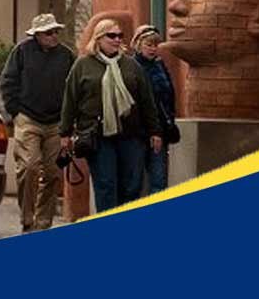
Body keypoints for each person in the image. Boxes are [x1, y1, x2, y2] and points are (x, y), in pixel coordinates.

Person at [60, 19, 163, 213]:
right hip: (97, 135)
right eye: (112, 36)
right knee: (106, 185)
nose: (117, 40)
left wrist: (154, 131)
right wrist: (64, 133)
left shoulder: (131, 65)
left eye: (120, 36)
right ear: (99, 38)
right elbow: (70, 99)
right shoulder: (83, 65)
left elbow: (146, 101)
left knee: (132, 185)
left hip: (131, 134)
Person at [0, 13, 76, 232]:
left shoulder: (66, 55)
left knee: (52, 173)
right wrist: (15, 113)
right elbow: (7, 82)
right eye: (48, 33)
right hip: (28, 119)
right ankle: (27, 217)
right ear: (37, 35)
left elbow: (74, 89)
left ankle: (43, 222)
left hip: (56, 123)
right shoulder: (22, 52)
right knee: (29, 167)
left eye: (55, 32)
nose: (53, 36)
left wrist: (69, 122)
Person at [132, 25, 177, 193]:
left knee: (159, 180)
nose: (152, 49)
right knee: (134, 182)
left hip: (161, 130)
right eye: (148, 44)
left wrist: (169, 121)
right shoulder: (131, 66)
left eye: (155, 45)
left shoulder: (160, 66)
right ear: (138, 44)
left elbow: (169, 97)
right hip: (137, 133)